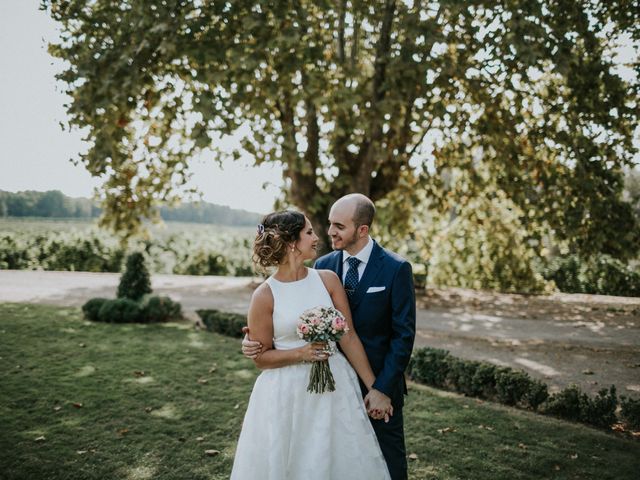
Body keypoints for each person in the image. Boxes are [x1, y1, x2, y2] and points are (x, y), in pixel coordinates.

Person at [243, 194, 416, 480]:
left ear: (362, 229)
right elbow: (265, 346)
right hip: (293, 393)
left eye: (338, 225)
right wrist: (263, 347)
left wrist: (378, 388)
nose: (325, 233)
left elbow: (368, 337)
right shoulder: (315, 269)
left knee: (370, 460)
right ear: (291, 243)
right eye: (313, 230)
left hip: (360, 383)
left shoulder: (386, 269)